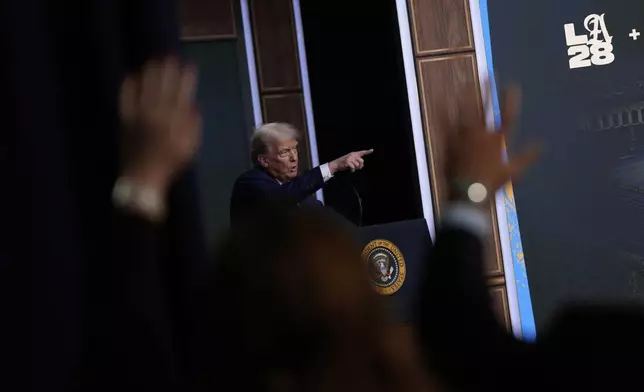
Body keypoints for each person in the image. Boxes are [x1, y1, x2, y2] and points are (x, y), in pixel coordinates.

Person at [229, 122, 373, 226]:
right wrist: (333, 166)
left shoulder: (292, 185)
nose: (294, 157)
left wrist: (358, 235)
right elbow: (284, 196)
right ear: (264, 160)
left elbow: (321, 215)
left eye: (295, 149)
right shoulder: (249, 183)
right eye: (285, 152)